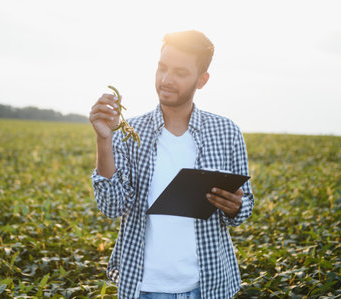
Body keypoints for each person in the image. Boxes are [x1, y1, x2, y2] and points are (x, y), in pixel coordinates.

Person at [89, 30, 254, 299]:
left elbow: (244, 207)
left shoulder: (226, 132)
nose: (166, 80)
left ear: (202, 80)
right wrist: (103, 140)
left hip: (208, 285)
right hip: (144, 286)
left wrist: (236, 206)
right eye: (162, 68)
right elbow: (111, 207)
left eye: (180, 72)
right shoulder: (130, 133)